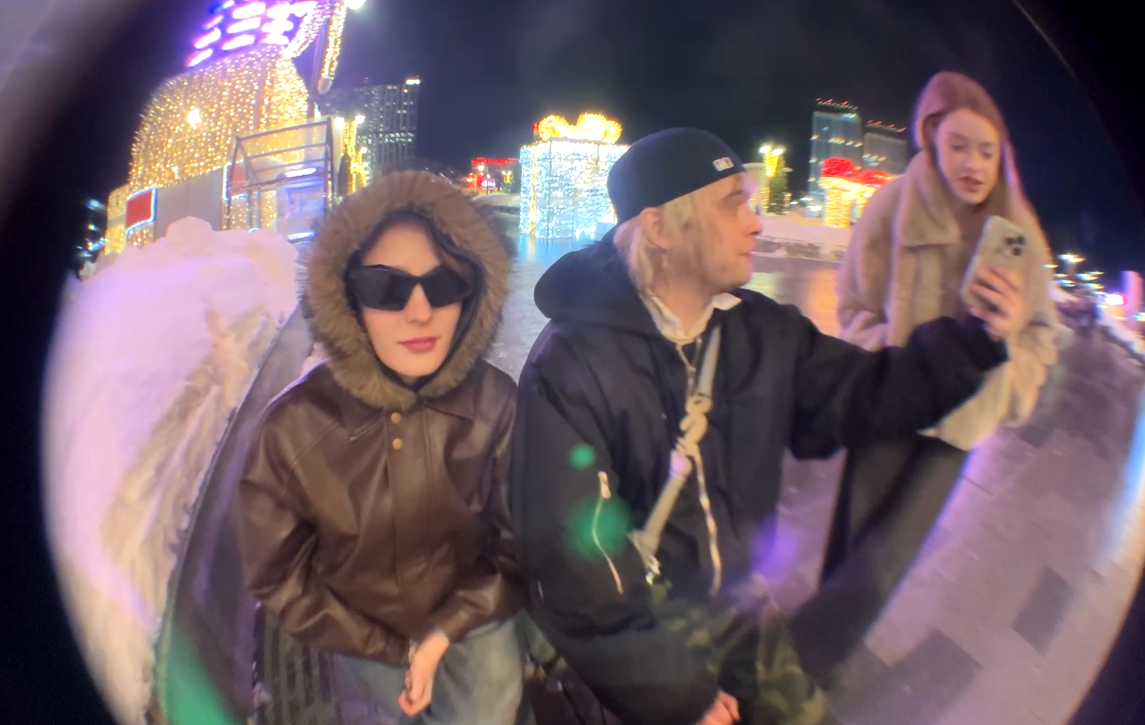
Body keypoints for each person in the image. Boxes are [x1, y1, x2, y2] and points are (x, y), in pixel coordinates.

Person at [511, 127, 1026, 725]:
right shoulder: (571, 364)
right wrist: (676, 697)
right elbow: (578, 576)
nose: (756, 224)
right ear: (660, 228)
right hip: (640, 615)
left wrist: (975, 340)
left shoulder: (762, 332)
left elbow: (867, 395)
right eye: (734, 204)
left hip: (739, 608)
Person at [787, 71, 1059, 681]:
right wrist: (891, 359)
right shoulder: (892, 207)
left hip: (963, 419)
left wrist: (1011, 360)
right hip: (892, 399)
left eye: (986, 150)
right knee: (853, 536)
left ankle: (804, 661)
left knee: (887, 561)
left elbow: (1043, 336)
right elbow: (854, 305)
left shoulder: (1020, 231)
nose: (973, 164)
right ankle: (808, 664)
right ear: (931, 141)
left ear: (1002, 154)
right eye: (958, 146)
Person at [238, 170, 528, 724]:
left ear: (471, 297)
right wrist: (385, 647)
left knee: (488, 707)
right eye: (385, 289)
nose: (420, 312)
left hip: (474, 608)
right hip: (360, 625)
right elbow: (279, 574)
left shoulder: (496, 403)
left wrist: (444, 632)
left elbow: (517, 543)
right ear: (347, 301)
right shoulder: (293, 430)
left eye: (444, 285)